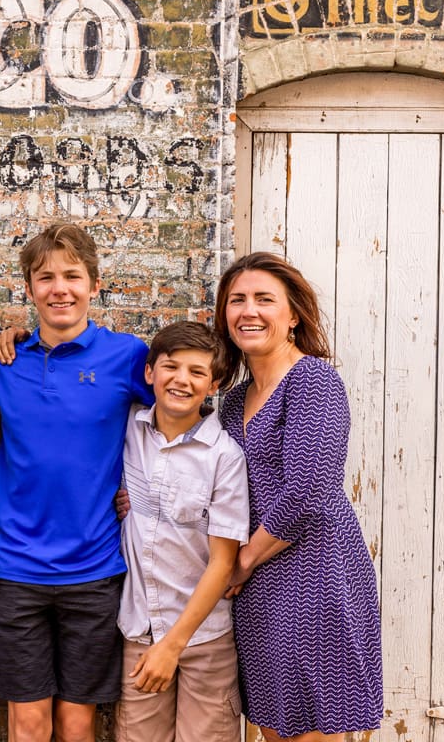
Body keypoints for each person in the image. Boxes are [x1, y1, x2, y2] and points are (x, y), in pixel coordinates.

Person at [0, 222, 154, 742]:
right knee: (28, 722)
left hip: (95, 571)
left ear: (95, 286)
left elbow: (177, 431)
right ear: (28, 289)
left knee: (76, 724)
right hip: (18, 571)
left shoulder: (128, 357)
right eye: (45, 277)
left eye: (73, 276)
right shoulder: (2, 363)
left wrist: (139, 496)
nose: (60, 288)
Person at [215, 251, 382, 742]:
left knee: (319, 729)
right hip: (259, 591)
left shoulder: (313, 382)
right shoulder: (231, 401)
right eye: (237, 300)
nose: (249, 311)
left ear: (292, 317)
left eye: (264, 299)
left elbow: (308, 490)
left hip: (317, 575)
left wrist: (242, 561)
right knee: (273, 727)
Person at [115, 321, 249, 742]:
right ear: (150, 372)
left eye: (197, 372)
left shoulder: (224, 456)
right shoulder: (129, 431)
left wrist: (173, 646)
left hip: (204, 638)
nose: (182, 380)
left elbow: (223, 562)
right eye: (172, 367)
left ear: (214, 385)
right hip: (141, 630)